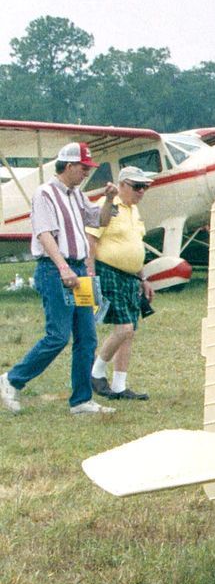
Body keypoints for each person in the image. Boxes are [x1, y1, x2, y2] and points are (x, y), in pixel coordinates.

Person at [2, 142, 111, 416]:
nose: (86, 173)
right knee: (58, 336)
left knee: (87, 337)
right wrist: (63, 268)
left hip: (77, 269)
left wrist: (109, 199)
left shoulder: (77, 194)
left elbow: (100, 220)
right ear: (69, 165)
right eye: (83, 168)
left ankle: (82, 400)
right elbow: (44, 234)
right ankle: (11, 380)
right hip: (56, 269)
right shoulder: (45, 194)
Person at [87, 165, 157, 401]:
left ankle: (119, 387)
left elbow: (135, 245)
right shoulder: (106, 205)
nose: (142, 191)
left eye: (145, 187)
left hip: (130, 276)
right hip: (109, 272)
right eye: (138, 186)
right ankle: (95, 372)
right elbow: (91, 240)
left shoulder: (134, 211)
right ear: (122, 185)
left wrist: (143, 278)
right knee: (124, 328)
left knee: (130, 332)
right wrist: (91, 277)